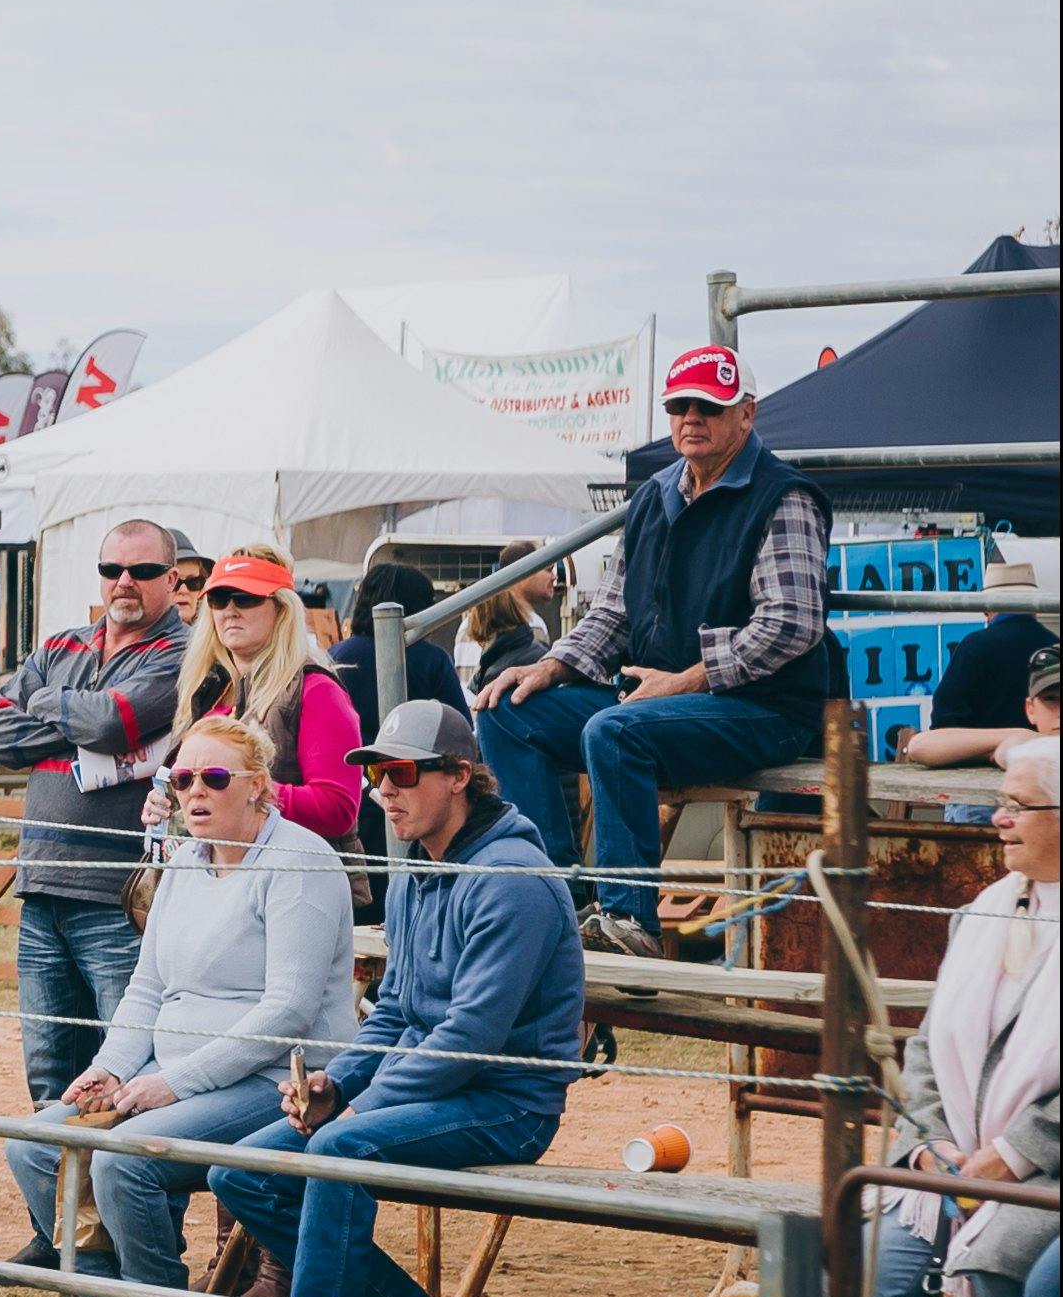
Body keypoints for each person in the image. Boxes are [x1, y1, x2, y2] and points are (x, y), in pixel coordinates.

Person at [204, 702, 585, 1297]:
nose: (383, 788)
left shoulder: (511, 880)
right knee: (240, 1175)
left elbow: (470, 1039)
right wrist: (334, 1084)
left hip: (509, 1101)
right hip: (437, 1085)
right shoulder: (417, 869)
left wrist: (354, 1115)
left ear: (459, 778)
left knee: (336, 1154)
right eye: (375, 772)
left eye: (401, 772)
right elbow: (395, 1008)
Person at [20, 716, 358, 1297]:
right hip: (170, 1076)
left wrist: (171, 1082)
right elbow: (146, 987)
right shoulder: (182, 863)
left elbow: (286, 1011)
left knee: (123, 1160)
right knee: (32, 1145)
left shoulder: (300, 862)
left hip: (277, 1081)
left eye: (212, 777)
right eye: (179, 778)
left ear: (258, 788)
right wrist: (112, 1066)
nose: (193, 791)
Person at [481, 344, 840, 954]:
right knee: (506, 709)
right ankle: (557, 899)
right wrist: (551, 664)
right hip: (659, 701)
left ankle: (630, 922)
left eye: (709, 405)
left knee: (616, 731)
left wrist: (684, 681)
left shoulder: (784, 497)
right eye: (679, 406)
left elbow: (790, 625)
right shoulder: (654, 495)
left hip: (765, 710)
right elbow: (615, 609)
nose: (690, 418)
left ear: (747, 414)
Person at [0, 516, 193, 1250]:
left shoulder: (179, 650)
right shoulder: (63, 641)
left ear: (170, 576)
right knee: (49, 1066)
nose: (122, 583)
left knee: (123, 1067)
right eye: (109, 570)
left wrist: (46, 705)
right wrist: (75, 721)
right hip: (43, 887)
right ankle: (55, 1218)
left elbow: (115, 719)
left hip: (117, 894)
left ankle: (133, 1231)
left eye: (139, 570)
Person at [866, 734, 1055, 1297]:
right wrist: (926, 1145)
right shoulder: (985, 908)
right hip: (962, 1160)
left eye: (1016, 804)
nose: (997, 817)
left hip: (1040, 1165)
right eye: (1000, 801)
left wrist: (1013, 1152)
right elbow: (928, 1043)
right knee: (888, 1274)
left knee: (1013, 1279)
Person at [172, 550, 364, 847]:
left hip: (296, 877)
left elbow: (338, 809)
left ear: (281, 609)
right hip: (220, 876)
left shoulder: (316, 690)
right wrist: (170, 799)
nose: (230, 610)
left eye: (246, 597)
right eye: (219, 599)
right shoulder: (207, 690)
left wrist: (245, 791)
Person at [904, 574, 1058, 769]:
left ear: (987, 609)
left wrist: (1002, 742)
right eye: (1052, 699)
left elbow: (942, 728)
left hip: (973, 778)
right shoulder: (1054, 644)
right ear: (1036, 606)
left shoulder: (973, 647)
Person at [326, 559, 464, 738]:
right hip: (414, 763)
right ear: (421, 608)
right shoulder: (433, 660)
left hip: (348, 762)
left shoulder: (334, 657)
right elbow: (460, 729)